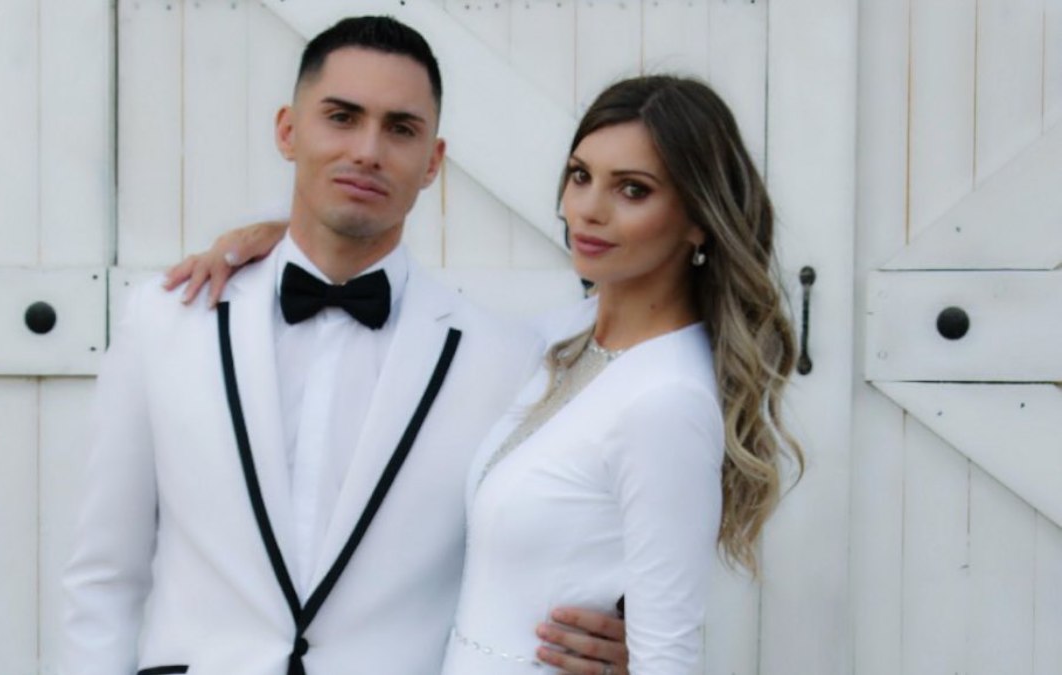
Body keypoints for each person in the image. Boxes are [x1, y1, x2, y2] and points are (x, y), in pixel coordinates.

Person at [169, 75, 804, 674]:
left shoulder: (666, 399)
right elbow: (428, 318)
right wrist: (285, 239)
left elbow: (668, 657)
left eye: (633, 190)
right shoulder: (567, 340)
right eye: (580, 176)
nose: (588, 210)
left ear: (698, 218)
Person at [62, 15, 627, 675]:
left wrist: (625, 643)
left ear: (433, 161)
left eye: (401, 129)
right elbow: (105, 575)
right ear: (288, 130)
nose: (367, 150)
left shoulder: (505, 359)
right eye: (341, 117)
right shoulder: (166, 322)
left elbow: (547, 557)